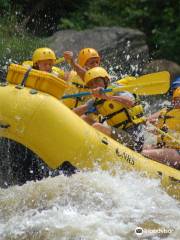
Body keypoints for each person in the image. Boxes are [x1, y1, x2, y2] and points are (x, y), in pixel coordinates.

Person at [73, 67, 145, 152]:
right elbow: (78, 111)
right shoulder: (96, 100)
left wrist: (107, 97)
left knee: (97, 126)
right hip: (119, 134)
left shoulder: (117, 89)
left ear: (105, 80)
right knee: (84, 118)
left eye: (97, 81)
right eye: (91, 84)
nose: (94, 86)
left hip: (134, 138)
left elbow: (131, 102)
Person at [142, 79, 180, 169]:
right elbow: (149, 121)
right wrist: (146, 123)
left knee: (144, 153)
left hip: (177, 152)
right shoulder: (167, 111)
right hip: (164, 146)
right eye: (176, 99)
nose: (177, 103)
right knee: (139, 149)